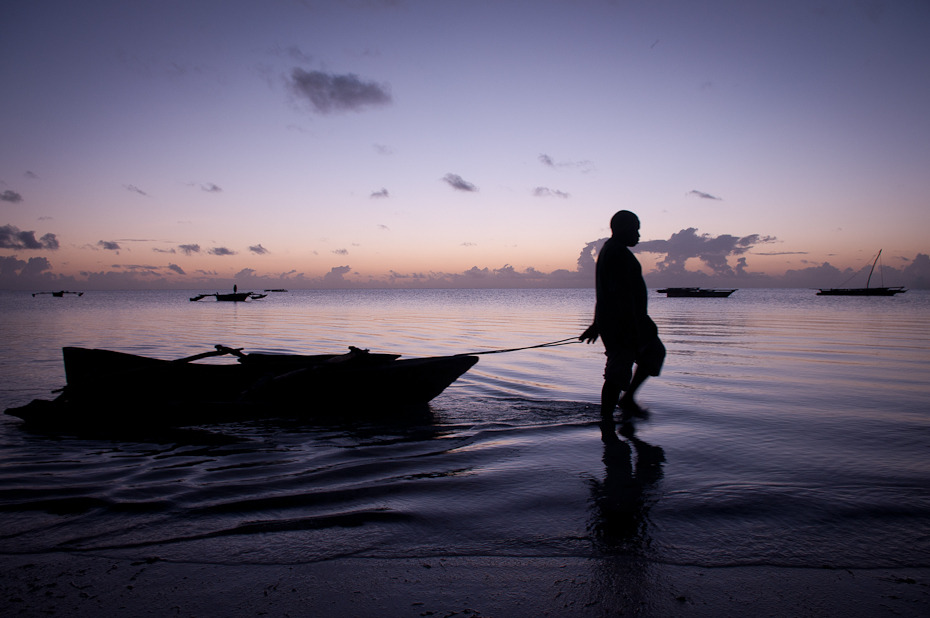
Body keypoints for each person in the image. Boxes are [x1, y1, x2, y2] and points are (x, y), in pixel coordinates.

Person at [580, 210, 665, 420]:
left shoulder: (613, 251)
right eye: (635, 229)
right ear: (622, 229)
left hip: (626, 322)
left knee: (653, 353)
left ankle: (625, 401)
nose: (638, 235)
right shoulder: (616, 253)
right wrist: (630, 327)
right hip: (623, 326)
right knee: (617, 372)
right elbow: (616, 295)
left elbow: (605, 294)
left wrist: (596, 323)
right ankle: (607, 420)